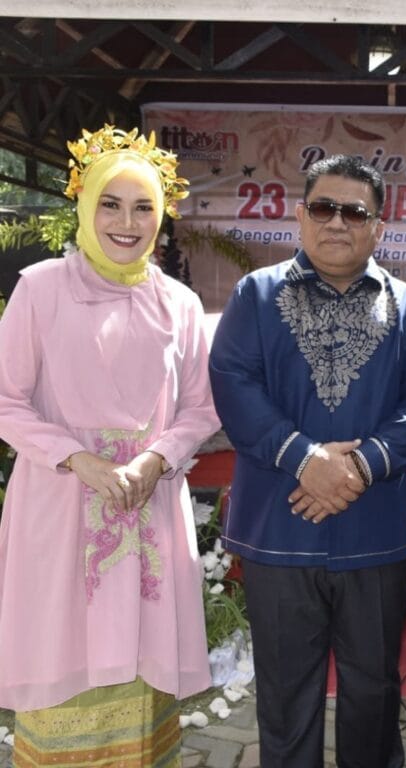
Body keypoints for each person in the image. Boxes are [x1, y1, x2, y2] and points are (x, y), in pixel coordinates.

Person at [208, 154, 406, 767]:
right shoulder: (256, 295)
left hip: (374, 535)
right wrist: (303, 458)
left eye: (355, 211)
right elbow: (234, 382)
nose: (337, 222)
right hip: (280, 531)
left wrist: (358, 466)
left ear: (379, 229)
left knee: (374, 689)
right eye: (323, 207)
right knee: (286, 698)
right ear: (299, 216)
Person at [0, 124, 219, 764]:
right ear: (84, 205)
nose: (128, 222)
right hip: (61, 507)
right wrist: (79, 458)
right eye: (111, 204)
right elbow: (6, 400)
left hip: (147, 509)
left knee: (140, 672)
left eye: (144, 206)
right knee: (62, 645)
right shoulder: (40, 290)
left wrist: (155, 459)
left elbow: (199, 408)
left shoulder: (178, 302)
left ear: (163, 216)